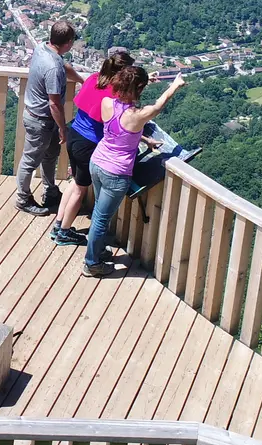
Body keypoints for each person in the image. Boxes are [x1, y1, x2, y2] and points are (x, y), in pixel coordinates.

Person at [83, 68, 185, 277]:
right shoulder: (136, 116)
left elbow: (119, 133)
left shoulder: (107, 103)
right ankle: (91, 263)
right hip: (116, 173)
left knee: (99, 215)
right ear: (137, 88)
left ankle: (99, 251)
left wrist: (145, 139)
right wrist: (174, 85)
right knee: (102, 219)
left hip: (97, 162)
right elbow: (159, 105)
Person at [51, 49, 134, 246]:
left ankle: (59, 223)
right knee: (80, 189)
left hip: (74, 135)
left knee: (75, 182)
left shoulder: (93, 79)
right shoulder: (113, 93)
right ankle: (63, 232)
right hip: (88, 144)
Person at [16, 20, 80, 216]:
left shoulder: (43, 48)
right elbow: (54, 103)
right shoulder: (53, 67)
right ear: (68, 42)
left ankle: (51, 192)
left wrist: (82, 80)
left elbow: (64, 64)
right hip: (41, 120)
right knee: (30, 160)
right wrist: (62, 128)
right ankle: (22, 198)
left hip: (41, 117)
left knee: (50, 155)